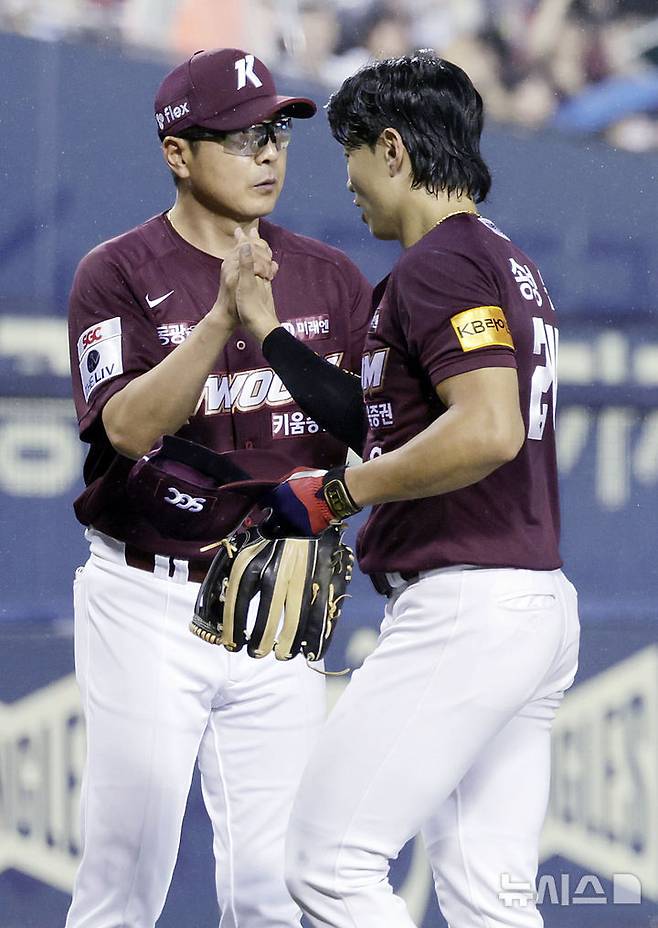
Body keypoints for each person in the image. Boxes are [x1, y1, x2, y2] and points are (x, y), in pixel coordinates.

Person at [232, 53, 580, 928]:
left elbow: (487, 428)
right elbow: (392, 418)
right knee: (488, 897)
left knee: (325, 865)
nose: (345, 180)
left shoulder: (440, 267)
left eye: (350, 151)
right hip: (523, 600)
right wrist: (271, 336)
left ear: (392, 150)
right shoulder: (496, 258)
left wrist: (341, 494)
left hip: (467, 605)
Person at [66, 47, 371, 928]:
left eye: (276, 131)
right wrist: (223, 320)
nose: (268, 152)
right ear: (178, 153)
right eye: (240, 137)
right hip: (145, 595)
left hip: (270, 602)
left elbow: (366, 432)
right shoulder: (116, 271)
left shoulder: (331, 279)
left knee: (274, 889)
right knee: (125, 876)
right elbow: (124, 429)